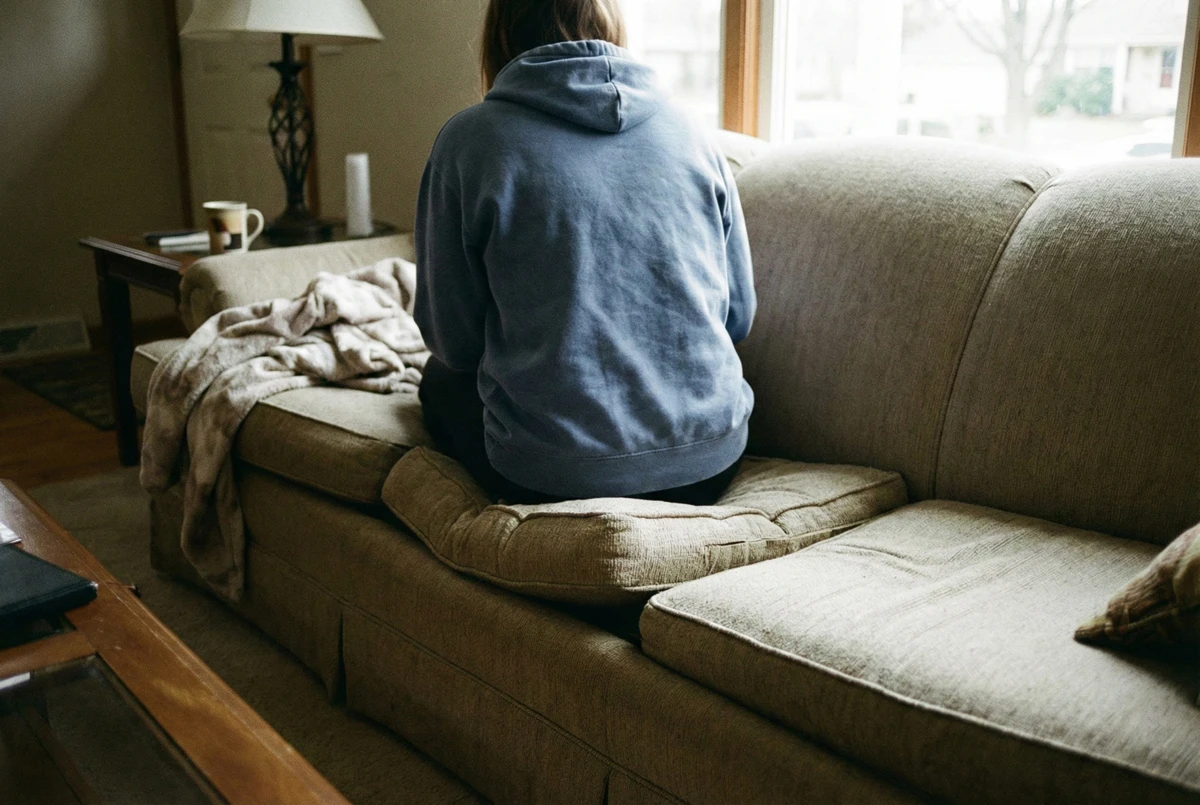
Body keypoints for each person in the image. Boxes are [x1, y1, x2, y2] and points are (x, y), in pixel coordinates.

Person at [415, 0, 756, 506]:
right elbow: (739, 318)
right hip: (710, 462)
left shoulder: (470, 141)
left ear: (500, 33)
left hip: (551, 476)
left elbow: (454, 343)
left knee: (437, 381)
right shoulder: (694, 134)